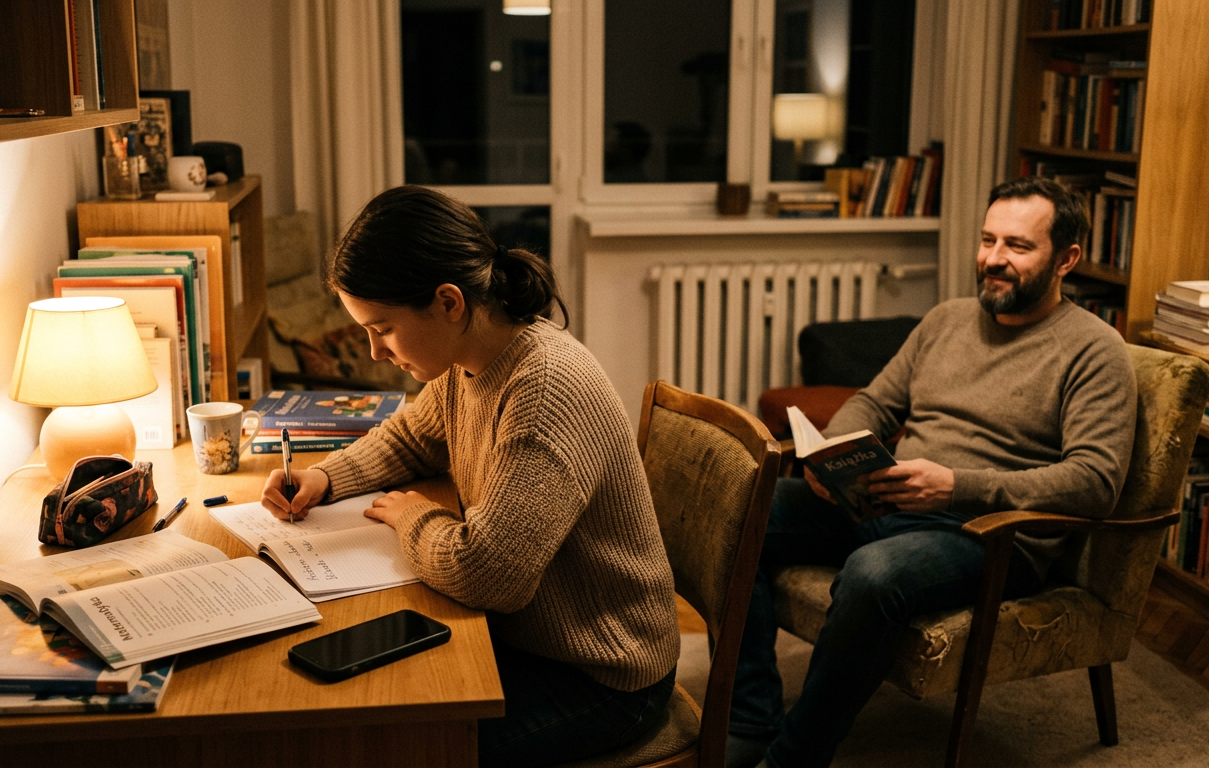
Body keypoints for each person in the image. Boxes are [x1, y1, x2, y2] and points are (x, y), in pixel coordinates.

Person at [260, 185, 680, 768]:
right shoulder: (467, 363)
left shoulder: (545, 388)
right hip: (530, 639)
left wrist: (415, 517)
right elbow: (411, 437)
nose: (376, 352)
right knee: (359, 699)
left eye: (382, 328)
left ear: (449, 302)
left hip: (602, 673)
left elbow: (489, 575)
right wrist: (325, 477)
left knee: (399, 745)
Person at [726, 175, 1137, 768]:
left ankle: (795, 759)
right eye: (987, 239)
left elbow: (1095, 483)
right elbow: (875, 401)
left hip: (990, 535)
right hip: (889, 500)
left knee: (874, 573)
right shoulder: (946, 320)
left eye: (1018, 246)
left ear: (1066, 259)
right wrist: (832, 452)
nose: (993, 259)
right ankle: (749, 721)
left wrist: (956, 485)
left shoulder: (1095, 351)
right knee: (742, 509)